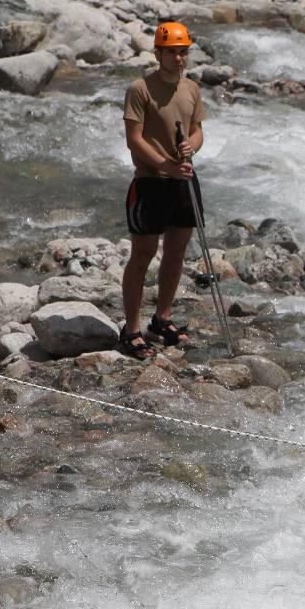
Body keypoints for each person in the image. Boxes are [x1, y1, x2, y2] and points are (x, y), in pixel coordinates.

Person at [119, 20, 207, 359]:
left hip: (184, 180)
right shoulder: (140, 89)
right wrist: (165, 164)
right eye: (172, 53)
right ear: (158, 53)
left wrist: (191, 149)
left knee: (176, 252)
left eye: (183, 53)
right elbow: (135, 140)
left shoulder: (191, 89)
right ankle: (131, 329)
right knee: (142, 255)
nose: (179, 59)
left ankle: (162, 319)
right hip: (150, 182)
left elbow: (197, 131)